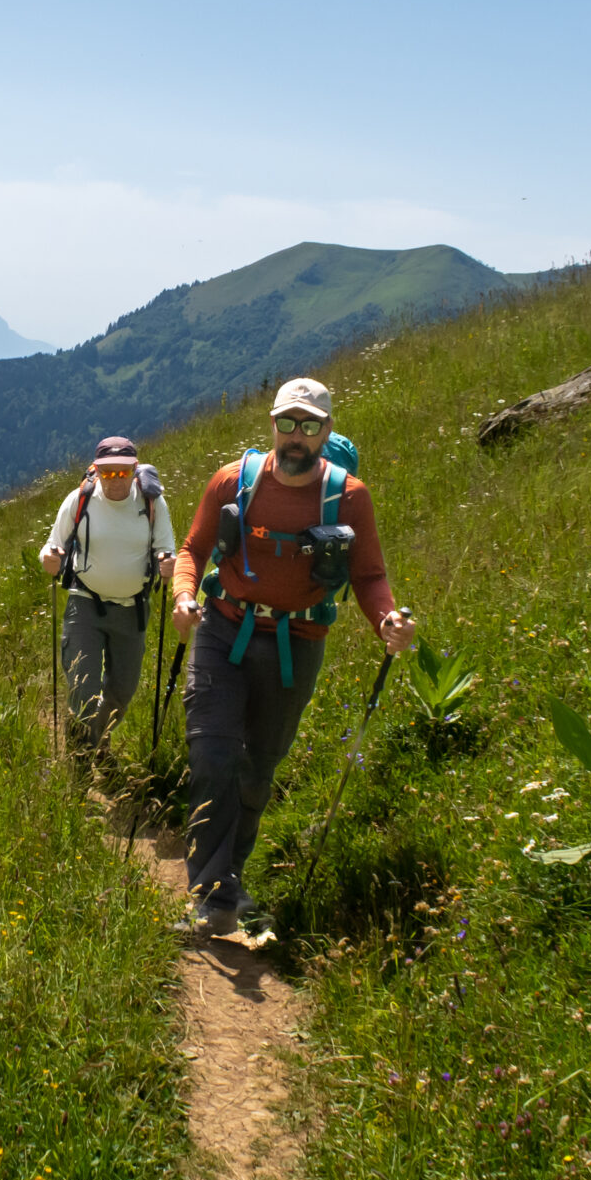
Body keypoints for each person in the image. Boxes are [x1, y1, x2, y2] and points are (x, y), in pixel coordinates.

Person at [171, 379, 415, 935]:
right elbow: (193, 549)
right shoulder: (233, 481)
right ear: (273, 425)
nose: (296, 436)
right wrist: (185, 597)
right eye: (288, 423)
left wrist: (386, 621)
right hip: (222, 628)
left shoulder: (349, 497)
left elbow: (369, 575)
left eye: (309, 426)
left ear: (326, 431)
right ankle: (212, 896)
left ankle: (228, 877)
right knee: (212, 755)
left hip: (296, 642)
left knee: (258, 768)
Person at [40, 437, 178, 756]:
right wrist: (49, 558)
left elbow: (166, 547)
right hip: (85, 602)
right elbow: (52, 545)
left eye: (123, 473)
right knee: (83, 685)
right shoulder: (80, 499)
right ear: (96, 470)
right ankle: (83, 754)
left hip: (133, 608)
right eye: (108, 473)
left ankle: (95, 739)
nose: (116, 480)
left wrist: (167, 563)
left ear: (135, 469)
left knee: (121, 692)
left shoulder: (152, 502)